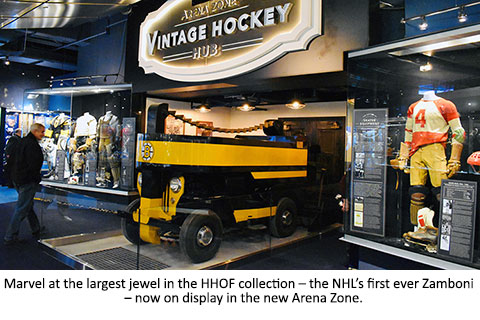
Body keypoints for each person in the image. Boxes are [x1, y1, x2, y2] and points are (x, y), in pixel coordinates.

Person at [4, 123, 46, 245]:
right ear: (35, 131)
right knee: (22, 208)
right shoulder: (31, 145)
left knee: (27, 205)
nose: (43, 134)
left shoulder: (22, 142)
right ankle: (10, 236)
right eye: (42, 132)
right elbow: (33, 165)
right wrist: (35, 178)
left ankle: (36, 228)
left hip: (19, 179)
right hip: (27, 180)